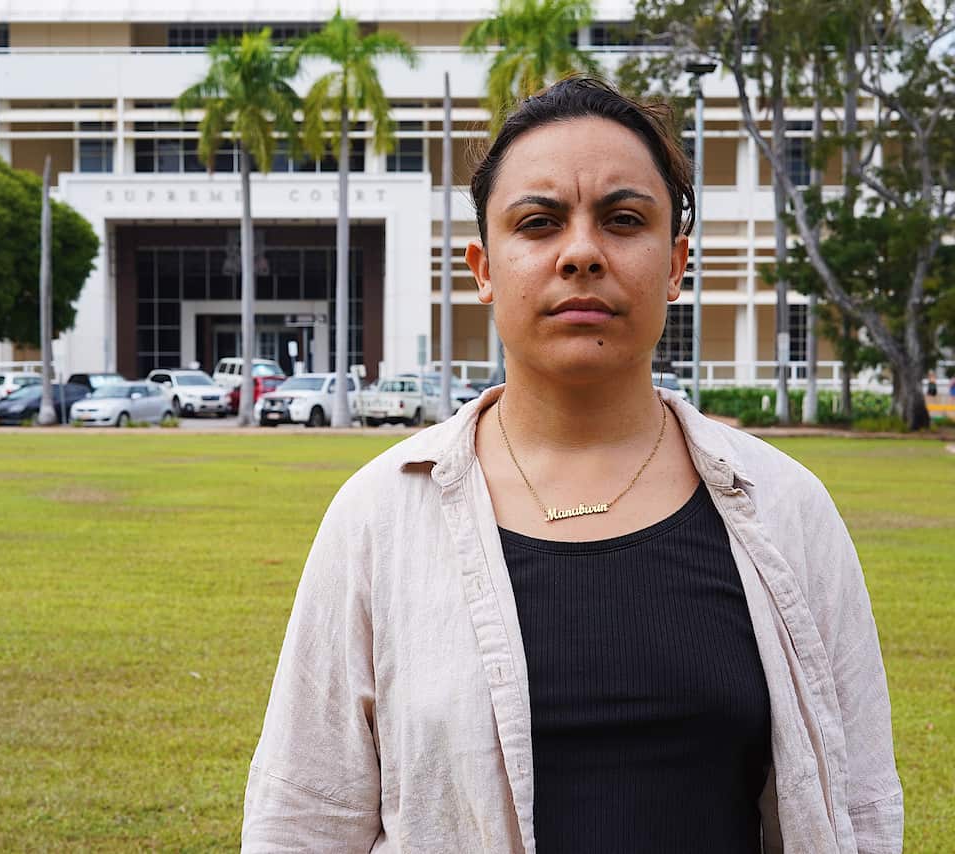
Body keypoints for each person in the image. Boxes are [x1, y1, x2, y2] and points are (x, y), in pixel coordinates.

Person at [242, 77, 901, 853]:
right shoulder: (378, 519)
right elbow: (304, 819)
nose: (582, 252)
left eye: (624, 221)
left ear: (676, 263)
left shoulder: (787, 508)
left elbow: (858, 808)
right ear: (483, 268)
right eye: (539, 222)